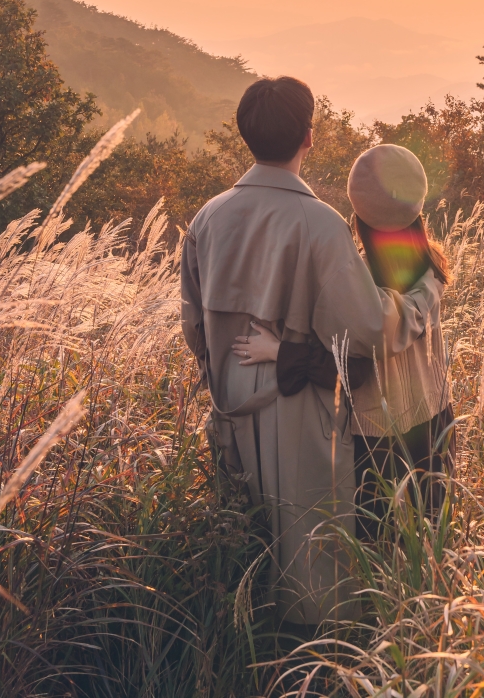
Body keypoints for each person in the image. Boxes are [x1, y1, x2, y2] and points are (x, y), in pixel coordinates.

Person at [180, 79, 442, 632]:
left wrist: (225, 376)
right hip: (300, 411)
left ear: (245, 135)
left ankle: (239, 645)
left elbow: (194, 326)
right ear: (309, 138)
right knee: (311, 561)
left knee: (245, 540)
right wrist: (422, 297)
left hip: (230, 408)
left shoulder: (207, 218)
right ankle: (318, 662)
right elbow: (368, 330)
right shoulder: (320, 224)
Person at [235, 144, 453, 541]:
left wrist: (279, 351)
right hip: (437, 421)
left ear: (358, 217)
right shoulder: (432, 266)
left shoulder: (356, 282)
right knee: (431, 537)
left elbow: (349, 366)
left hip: (378, 437)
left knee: (381, 548)